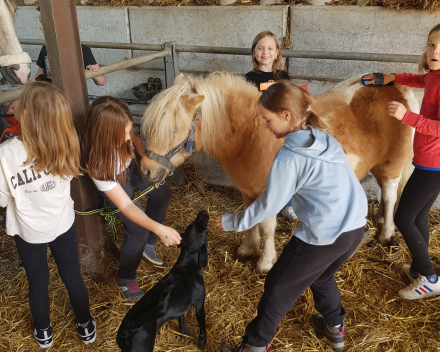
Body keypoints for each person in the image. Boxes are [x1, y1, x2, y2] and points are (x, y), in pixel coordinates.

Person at [215, 81, 367, 352]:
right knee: (320, 277)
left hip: (325, 234)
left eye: (268, 120)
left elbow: (268, 206)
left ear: (286, 116)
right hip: (354, 227)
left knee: (277, 286)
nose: (265, 126)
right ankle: (335, 327)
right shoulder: (323, 137)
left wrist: (232, 222)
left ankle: (255, 345)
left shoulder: (288, 157)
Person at [0, 82, 96, 349]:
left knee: (38, 280)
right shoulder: (68, 142)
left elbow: (2, 198)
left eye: (19, 101)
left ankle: (43, 331)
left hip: (29, 231)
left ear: (27, 116)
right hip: (62, 223)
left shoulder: (6, 154)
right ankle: (85, 324)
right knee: (72, 275)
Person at [362, 24, 440, 300]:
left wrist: (407, 117)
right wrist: (388, 78)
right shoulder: (434, 76)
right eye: (431, 44)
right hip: (428, 162)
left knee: (404, 218)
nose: (435, 51)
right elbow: (416, 79)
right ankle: (421, 269)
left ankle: (430, 279)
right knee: (418, 216)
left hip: (435, 165)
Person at [81, 96, 181, 300]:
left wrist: (147, 158)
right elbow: (126, 205)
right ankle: (125, 277)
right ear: (105, 135)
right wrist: (159, 227)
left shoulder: (122, 135)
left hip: (131, 164)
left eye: (128, 130)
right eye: (123, 134)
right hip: (115, 178)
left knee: (163, 193)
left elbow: (135, 143)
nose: (128, 136)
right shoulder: (98, 164)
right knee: (138, 228)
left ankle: (147, 244)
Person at [5, 6, 107, 125]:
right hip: (50, 104)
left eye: (43, 22)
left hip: (72, 105)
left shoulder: (81, 50)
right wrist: (20, 98)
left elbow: (102, 81)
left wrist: (94, 73)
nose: (40, 27)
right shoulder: (46, 49)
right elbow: (38, 76)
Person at [245, 31, 296, 223]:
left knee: (285, 167)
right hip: (259, 131)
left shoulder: (283, 76)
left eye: (269, 48)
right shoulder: (249, 78)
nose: (265, 52)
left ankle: (288, 204)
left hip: (281, 132)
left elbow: (290, 101)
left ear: (276, 53)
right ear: (254, 52)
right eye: (260, 48)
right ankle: (263, 203)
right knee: (263, 168)